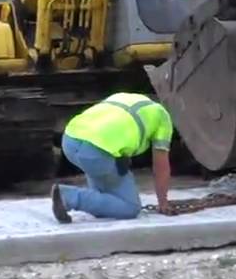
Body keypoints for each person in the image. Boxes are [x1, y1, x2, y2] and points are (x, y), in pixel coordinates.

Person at [51, 93, 175, 222]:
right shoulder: (163, 118)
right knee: (130, 207)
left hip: (70, 140)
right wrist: (163, 203)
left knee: (107, 197)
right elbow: (161, 167)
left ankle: (99, 204)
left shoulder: (125, 96)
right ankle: (70, 197)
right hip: (97, 151)